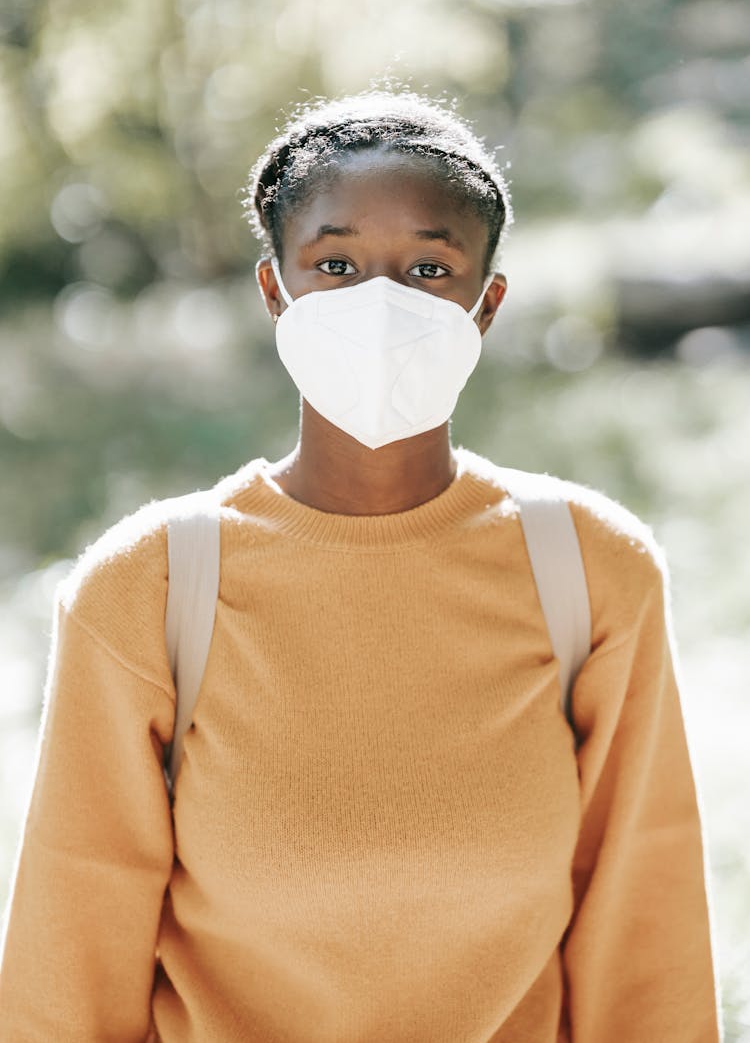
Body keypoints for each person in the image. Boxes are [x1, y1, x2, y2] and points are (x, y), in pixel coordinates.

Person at [0, 89, 722, 1042]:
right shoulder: (150, 587)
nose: (381, 304)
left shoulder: (591, 576)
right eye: (335, 263)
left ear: (486, 303)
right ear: (274, 290)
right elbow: (69, 967)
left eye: (429, 266)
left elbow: (648, 942)